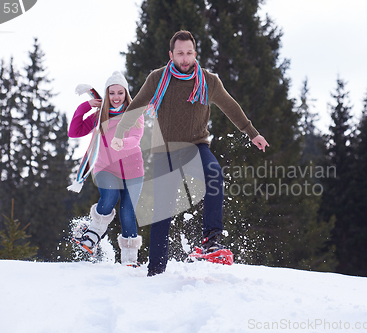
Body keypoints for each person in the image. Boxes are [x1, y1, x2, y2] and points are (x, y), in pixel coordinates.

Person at [111, 30, 269, 276]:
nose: (185, 59)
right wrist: (120, 132)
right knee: (163, 212)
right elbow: (137, 105)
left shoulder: (208, 81)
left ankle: (211, 240)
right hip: (166, 152)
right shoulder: (157, 79)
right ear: (171, 54)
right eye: (180, 53)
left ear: (195, 53)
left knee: (214, 175)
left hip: (197, 147)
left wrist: (252, 133)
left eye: (189, 53)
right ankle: (155, 270)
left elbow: (230, 106)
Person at [68, 71, 145, 267]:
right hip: (105, 168)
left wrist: (123, 142)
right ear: (106, 94)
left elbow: (136, 139)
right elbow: (74, 132)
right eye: (112, 93)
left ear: (126, 94)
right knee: (109, 197)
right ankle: (93, 234)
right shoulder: (100, 115)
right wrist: (85, 106)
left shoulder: (134, 114)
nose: (116, 97)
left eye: (120, 93)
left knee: (127, 212)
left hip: (133, 171)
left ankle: (129, 260)